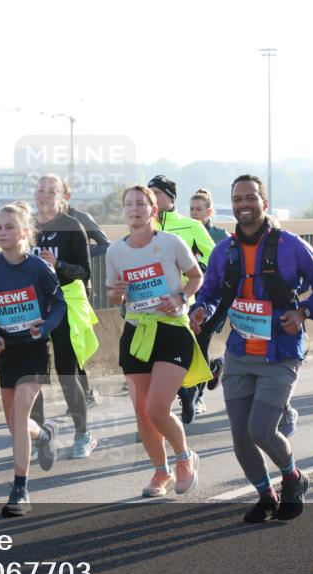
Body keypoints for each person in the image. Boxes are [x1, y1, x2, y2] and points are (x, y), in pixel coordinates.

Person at [190, 175, 313, 523]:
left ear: (264, 203)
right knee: (240, 435)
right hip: (240, 352)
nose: (243, 204)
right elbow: (209, 294)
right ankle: (265, 495)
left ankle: (292, 478)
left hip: (281, 353)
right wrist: (201, 310)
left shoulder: (291, 245)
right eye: (237, 199)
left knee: (261, 430)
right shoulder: (223, 251)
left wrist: (302, 312)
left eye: (250, 197)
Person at [106, 185, 209, 498]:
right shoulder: (115, 251)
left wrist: (180, 297)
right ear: (123, 212)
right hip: (137, 331)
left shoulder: (170, 242)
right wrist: (117, 293)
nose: (134, 209)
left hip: (171, 330)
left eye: (141, 203)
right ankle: (161, 472)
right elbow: (112, 295)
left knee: (157, 407)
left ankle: (183, 456)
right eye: (128, 205)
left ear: (153, 210)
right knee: (142, 412)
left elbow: (196, 276)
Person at [0, 202, 66, 516]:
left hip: (35, 350)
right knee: (15, 426)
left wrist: (47, 327)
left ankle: (20, 489)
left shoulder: (38, 267)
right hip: (8, 351)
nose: (2, 233)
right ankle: (43, 434)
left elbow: (59, 304)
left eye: (10, 227)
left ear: (25, 232)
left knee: (18, 417)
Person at [29, 174, 99, 459]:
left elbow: (85, 272)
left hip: (65, 303)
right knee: (32, 374)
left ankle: (84, 434)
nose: (44, 195)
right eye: (40, 190)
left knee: (66, 372)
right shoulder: (28, 226)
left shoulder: (72, 227)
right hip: (34, 307)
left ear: (61, 197)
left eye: (51, 191)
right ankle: (39, 436)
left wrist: (57, 263)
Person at [147, 175, 215, 423]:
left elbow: (213, 258)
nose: (151, 196)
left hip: (183, 302)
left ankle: (188, 391)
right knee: (155, 356)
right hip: (148, 304)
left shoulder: (192, 226)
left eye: (156, 192)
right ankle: (185, 392)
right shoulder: (145, 226)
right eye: (148, 192)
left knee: (178, 353)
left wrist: (190, 276)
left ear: (170, 197)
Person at [63, 177, 109, 408]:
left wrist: (81, 250)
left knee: (74, 341)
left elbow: (106, 244)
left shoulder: (81, 218)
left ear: (66, 196)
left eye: (55, 193)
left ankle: (86, 392)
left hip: (78, 286)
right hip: (50, 288)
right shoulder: (42, 221)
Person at [187, 188, 227, 413]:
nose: (194, 213)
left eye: (199, 209)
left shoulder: (220, 236)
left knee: (201, 342)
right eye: (191, 209)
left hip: (214, 300)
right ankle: (214, 366)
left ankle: (197, 396)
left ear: (209, 212)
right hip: (189, 297)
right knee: (190, 345)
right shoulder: (183, 233)